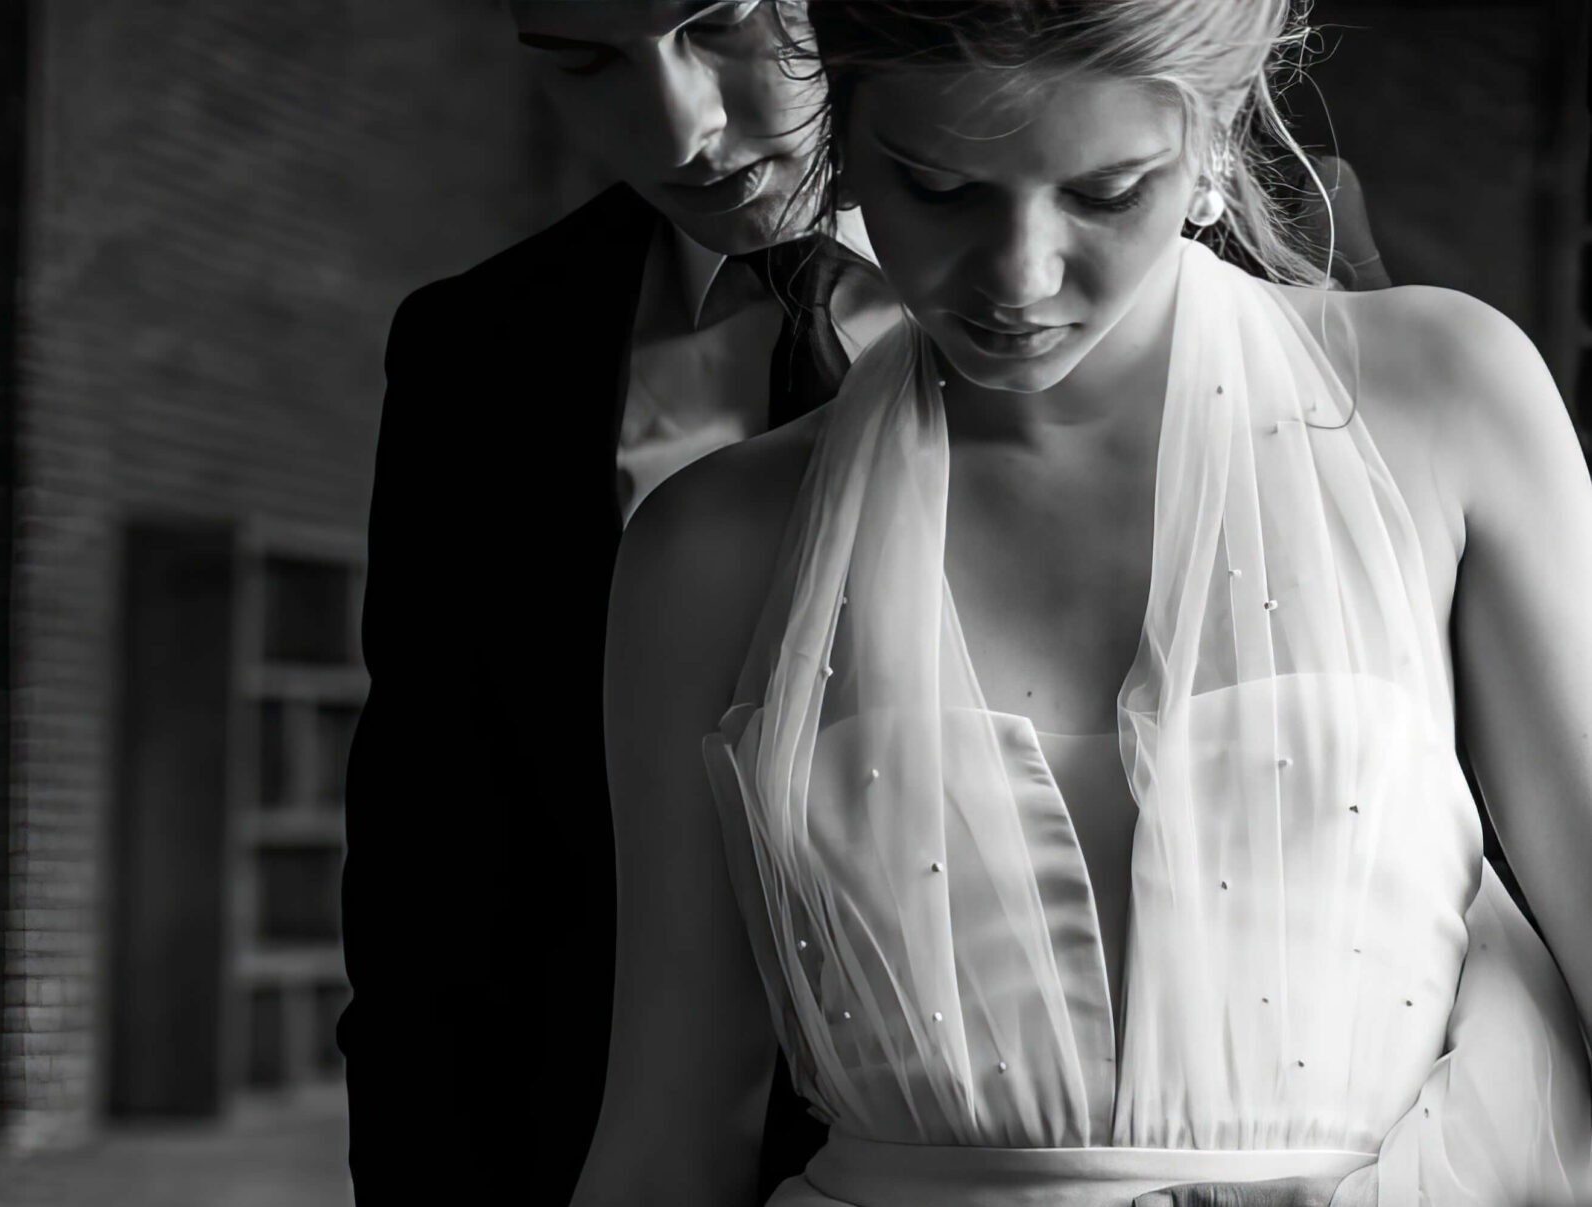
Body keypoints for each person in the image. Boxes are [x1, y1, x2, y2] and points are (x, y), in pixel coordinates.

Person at [586, 3, 1592, 1205]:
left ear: (1214, 144)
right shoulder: (710, 548)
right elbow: (667, 1142)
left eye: (1106, 192)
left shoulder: (1445, 402)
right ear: (841, 145)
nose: (1019, 275)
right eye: (939, 189)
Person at [337, 4, 893, 1204]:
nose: (679, 129)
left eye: (721, 22)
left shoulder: (1168, 260)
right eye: (582, 60)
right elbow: (432, 869)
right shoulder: (476, 349)